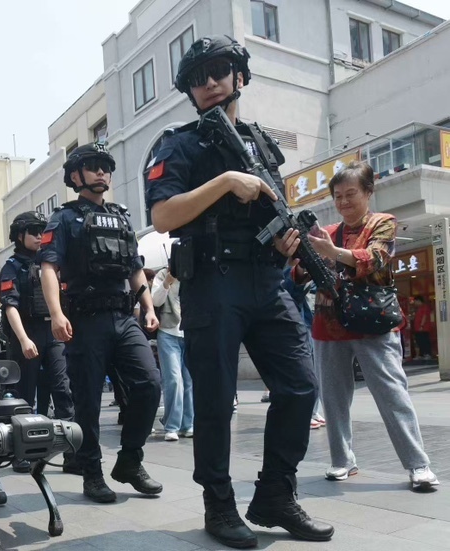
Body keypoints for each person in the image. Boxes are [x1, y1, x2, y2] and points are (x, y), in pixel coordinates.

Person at [145, 35, 333, 547]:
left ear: (239, 77)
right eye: (197, 77)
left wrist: (288, 244)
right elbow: (162, 215)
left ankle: (276, 495)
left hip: (267, 279)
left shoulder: (261, 142)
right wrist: (226, 181)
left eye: (219, 71)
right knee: (214, 401)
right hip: (213, 282)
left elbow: (273, 209)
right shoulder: (178, 143)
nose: (209, 83)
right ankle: (219, 505)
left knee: (300, 387)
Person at [301, 161, 439, 491]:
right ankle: (342, 460)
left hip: (373, 322)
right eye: (338, 196)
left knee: (392, 394)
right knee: (333, 399)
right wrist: (297, 254)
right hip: (328, 324)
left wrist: (332, 251)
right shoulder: (327, 232)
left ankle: (418, 464)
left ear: (368, 192)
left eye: (351, 194)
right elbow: (298, 274)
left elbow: (375, 258)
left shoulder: (383, 223)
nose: (344, 201)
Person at [39, 142, 163, 504]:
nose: (101, 172)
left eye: (105, 167)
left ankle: (130, 461)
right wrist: (57, 313)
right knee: (88, 401)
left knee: (149, 383)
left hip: (124, 318)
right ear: (76, 176)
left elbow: (134, 267)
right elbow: (48, 267)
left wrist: (148, 306)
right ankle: (92, 473)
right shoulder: (63, 218)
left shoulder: (121, 217)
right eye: (93, 166)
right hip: (85, 320)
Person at [0, 211, 75, 473]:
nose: (40, 236)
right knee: (24, 396)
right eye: (34, 232)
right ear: (20, 236)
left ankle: (71, 453)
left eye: (42, 231)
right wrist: (23, 340)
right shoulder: (11, 267)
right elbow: (10, 307)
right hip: (27, 333)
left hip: (53, 333)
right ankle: (21, 452)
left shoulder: (51, 264)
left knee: (63, 390)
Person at [151, 266, 193, 442]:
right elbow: (155, 301)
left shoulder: (192, 273)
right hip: (168, 332)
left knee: (189, 380)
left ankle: (188, 424)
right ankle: (172, 426)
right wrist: (167, 283)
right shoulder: (162, 275)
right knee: (174, 379)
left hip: (189, 331)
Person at [282, 266, 326, 430]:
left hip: (315, 324)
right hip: (303, 324)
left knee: (316, 370)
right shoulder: (291, 272)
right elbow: (292, 296)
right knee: (307, 370)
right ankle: (306, 413)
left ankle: (313, 411)